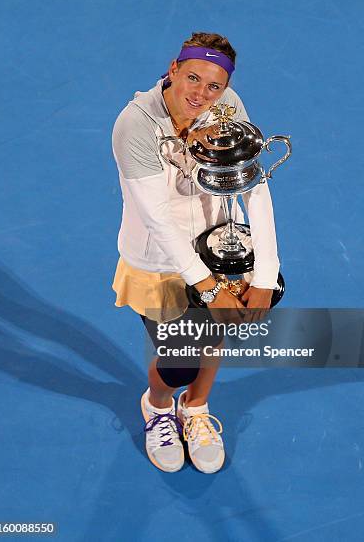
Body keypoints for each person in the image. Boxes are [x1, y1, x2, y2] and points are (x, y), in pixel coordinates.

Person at [112, 32, 280, 474]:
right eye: (193, 78)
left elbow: (253, 187)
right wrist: (208, 290)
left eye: (215, 87)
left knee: (215, 332)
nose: (202, 95)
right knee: (181, 357)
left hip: (218, 249)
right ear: (172, 70)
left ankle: (198, 407)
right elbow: (157, 220)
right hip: (160, 262)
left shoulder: (226, 108)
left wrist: (264, 275)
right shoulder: (135, 125)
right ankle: (159, 406)